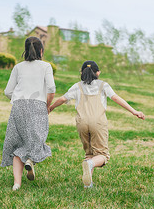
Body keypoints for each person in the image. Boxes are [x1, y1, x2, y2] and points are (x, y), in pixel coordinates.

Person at [49, 60, 145, 188]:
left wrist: (50, 108)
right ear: (98, 72)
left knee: (89, 153)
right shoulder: (103, 85)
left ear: (81, 73)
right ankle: (90, 164)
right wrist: (134, 111)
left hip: (82, 123)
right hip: (98, 123)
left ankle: (88, 184)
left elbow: (62, 99)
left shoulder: (77, 86)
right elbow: (116, 98)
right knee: (102, 155)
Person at [0, 37, 56, 191]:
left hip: (18, 106)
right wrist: (47, 105)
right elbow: (51, 89)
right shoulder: (46, 66)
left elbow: (7, 91)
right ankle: (30, 160)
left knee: (18, 143)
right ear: (41, 51)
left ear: (25, 50)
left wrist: (18, 100)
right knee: (37, 138)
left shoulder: (18, 67)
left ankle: (16, 184)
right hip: (38, 104)